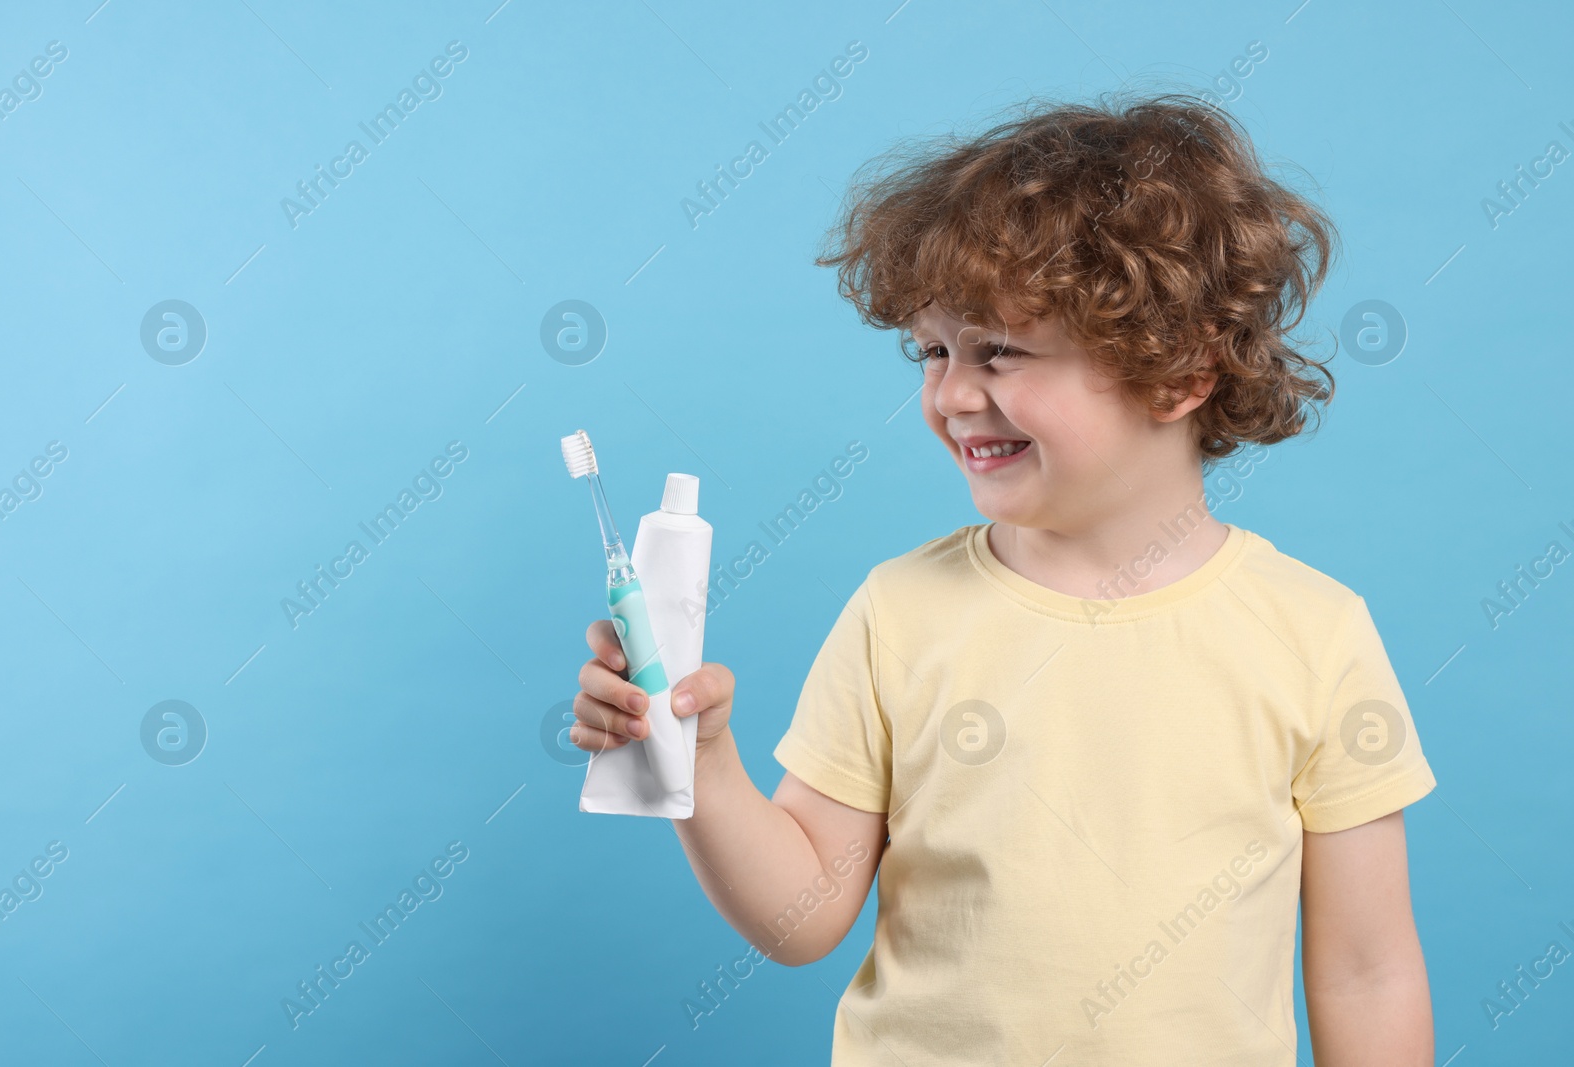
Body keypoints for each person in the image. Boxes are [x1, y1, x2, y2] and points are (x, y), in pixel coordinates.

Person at [571, 91, 1436, 1065]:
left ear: (1181, 371)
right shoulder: (899, 612)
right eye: (934, 350)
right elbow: (799, 918)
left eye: (1001, 351)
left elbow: (1368, 968)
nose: (950, 394)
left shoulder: (1314, 633)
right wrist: (702, 755)